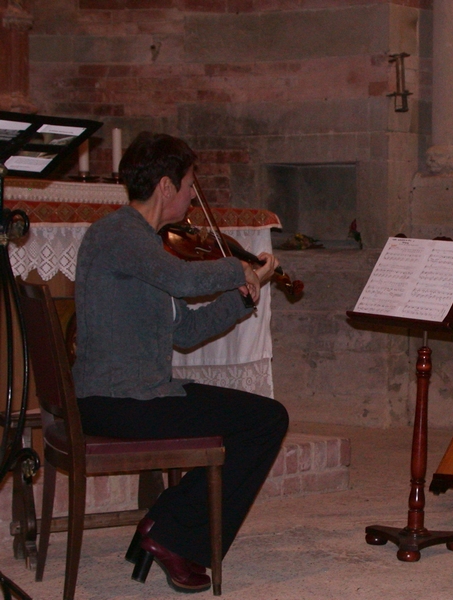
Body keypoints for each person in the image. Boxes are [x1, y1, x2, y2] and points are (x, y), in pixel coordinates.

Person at [72, 132, 289, 593]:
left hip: (141, 393)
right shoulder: (117, 233)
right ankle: (169, 533)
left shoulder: (146, 247)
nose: (193, 195)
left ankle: (166, 528)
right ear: (166, 187)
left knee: (265, 417)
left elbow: (186, 332)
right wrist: (239, 268)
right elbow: (181, 279)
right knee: (264, 421)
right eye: (190, 184)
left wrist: (243, 296)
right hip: (117, 399)